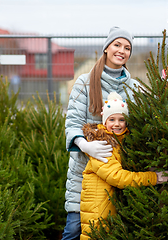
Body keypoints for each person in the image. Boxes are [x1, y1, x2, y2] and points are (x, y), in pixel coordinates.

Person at [62, 26, 141, 240]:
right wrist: (85, 145)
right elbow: (73, 124)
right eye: (117, 45)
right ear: (106, 48)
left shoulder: (133, 87)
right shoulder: (85, 83)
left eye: (127, 47)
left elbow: (143, 124)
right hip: (84, 171)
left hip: (118, 171)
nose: (121, 51)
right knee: (74, 229)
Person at [80, 92, 168, 239]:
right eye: (112, 119)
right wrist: (153, 177)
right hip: (98, 212)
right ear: (105, 121)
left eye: (122, 119)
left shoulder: (123, 142)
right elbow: (118, 177)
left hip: (110, 208)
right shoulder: (102, 145)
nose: (117, 124)